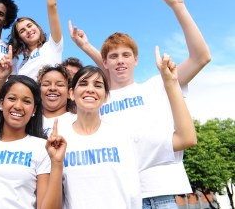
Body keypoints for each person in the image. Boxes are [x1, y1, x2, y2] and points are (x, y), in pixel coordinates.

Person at [68, 0, 211, 208]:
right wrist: (87, 47)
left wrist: (179, 7)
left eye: (126, 55)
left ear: (136, 60)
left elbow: (201, 57)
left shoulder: (158, 86)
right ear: (105, 62)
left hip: (159, 195)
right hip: (116, 196)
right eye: (113, 57)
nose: (120, 61)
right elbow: (106, 72)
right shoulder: (99, 100)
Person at [60, 47, 197, 208]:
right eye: (83, 84)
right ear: (71, 93)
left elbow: (186, 138)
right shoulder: (61, 138)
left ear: (106, 97)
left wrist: (171, 83)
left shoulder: (120, 137)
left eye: (98, 85)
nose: (90, 89)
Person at [0, 47, 65, 209]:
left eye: (26, 101)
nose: (18, 106)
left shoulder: (42, 148)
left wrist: (57, 164)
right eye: (12, 98)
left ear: (34, 110)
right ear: (1, 103)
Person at [8, 0, 63, 80]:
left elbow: (52, 5)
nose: (28, 30)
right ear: (20, 38)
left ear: (38, 27)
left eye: (29, 25)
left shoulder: (52, 46)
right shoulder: (19, 66)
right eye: (22, 30)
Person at [37, 64, 76, 136]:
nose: (52, 88)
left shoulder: (78, 121)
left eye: (60, 85)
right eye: (46, 84)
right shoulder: (28, 121)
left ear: (69, 93)